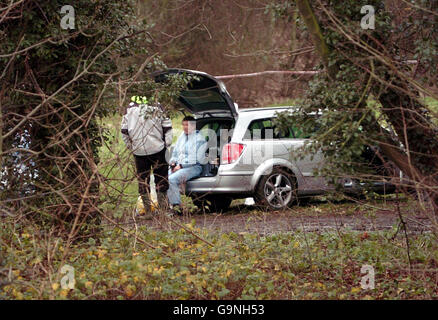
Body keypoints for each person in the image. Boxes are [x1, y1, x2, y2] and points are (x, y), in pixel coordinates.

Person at [121, 97, 173, 215]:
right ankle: (163, 211)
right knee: (162, 179)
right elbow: (167, 125)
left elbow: (124, 131)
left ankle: (148, 212)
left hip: (139, 151)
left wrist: (132, 147)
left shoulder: (129, 109)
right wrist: (167, 144)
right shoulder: (157, 106)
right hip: (158, 149)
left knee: (143, 181)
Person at [168, 116, 207, 215]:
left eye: (187, 125)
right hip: (178, 166)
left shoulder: (199, 139)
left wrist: (181, 166)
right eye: (184, 125)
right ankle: (166, 206)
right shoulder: (182, 136)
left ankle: (177, 208)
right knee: (164, 178)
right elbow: (175, 152)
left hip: (193, 167)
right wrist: (173, 163)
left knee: (172, 179)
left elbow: (195, 158)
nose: (185, 127)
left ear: (193, 126)